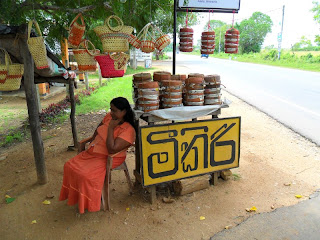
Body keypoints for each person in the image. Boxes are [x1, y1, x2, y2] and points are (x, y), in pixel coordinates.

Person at [59, 97, 136, 214]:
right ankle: (78, 197)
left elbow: (111, 149)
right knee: (69, 166)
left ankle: (89, 200)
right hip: (93, 152)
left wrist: (111, 128)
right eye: (111, 109)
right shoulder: (109, 117)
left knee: (85, 176)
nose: (111, 112)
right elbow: (98, 129)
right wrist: (93, 141)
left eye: (114, 110)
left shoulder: (128, 129)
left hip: (109, 157)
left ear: (124, 111)